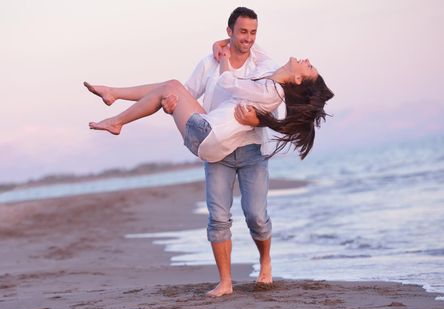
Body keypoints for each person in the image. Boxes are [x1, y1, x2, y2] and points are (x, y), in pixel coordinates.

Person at [84, 53, 334, 287]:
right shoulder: (269, 75)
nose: (307, 60)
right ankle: (113, 97)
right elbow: (198, 90)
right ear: (232, 32)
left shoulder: (271, 89)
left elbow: (228, 81)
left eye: (309, 67)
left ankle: (116, 114)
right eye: (243, 32)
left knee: (170, 85)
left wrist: (225, 61)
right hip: (212, 138)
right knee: (169, 89)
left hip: (208, 136)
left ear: (298, 78)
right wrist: (219, 51)